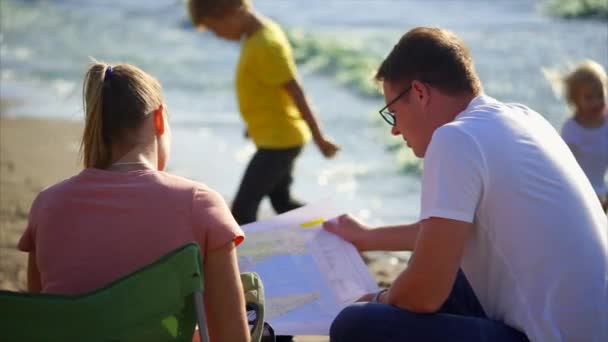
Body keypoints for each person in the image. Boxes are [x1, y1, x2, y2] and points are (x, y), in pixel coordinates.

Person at [323, 27, 608, 342]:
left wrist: (379, 300)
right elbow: (445, 233)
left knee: (355, 325)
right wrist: (368, 237)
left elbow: (425, 294)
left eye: (393, 113)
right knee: (456, 272)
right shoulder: (524, 118)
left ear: (419, 92)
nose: (395, 130)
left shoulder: (455, 138)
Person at [17, 62, 250, 342]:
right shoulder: (200, 204)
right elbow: (232, 338)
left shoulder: (46, 206)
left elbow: (41, 320)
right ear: (159, 119)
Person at [186, 0, 340, 226]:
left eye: (213, 27)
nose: (217, 35)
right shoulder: (259, 35)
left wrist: (320, 139)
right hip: (276, 137)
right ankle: (340, 232)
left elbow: (296, 91)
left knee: (242, 210)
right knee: (282, 202)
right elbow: (264, 90)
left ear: (230, 12)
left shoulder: (266, 44)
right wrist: (253, 124)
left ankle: (244, 260)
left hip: (279, 142)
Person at [560, 60, 608, 212]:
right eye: (589, 97)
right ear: (575, 100)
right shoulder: (571, 130)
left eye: (600, 95)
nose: (597, 102)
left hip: (603, 194)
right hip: (578, 198)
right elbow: (564, 171)